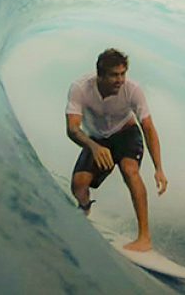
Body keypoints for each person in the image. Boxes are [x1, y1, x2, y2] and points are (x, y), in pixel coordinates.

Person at [66, 48, 168, 252]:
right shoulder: (80, 88)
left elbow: (148, 127)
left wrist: (159, 168)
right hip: (96, 139)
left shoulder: (132, 90)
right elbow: (72, 129)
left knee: (130, 170)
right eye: (114, 75)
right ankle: (84, 208)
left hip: (126, 133)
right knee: (79, 185)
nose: (120, 80)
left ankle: (144, 238)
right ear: (100, 74)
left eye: (123, 74)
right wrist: (94, 147)